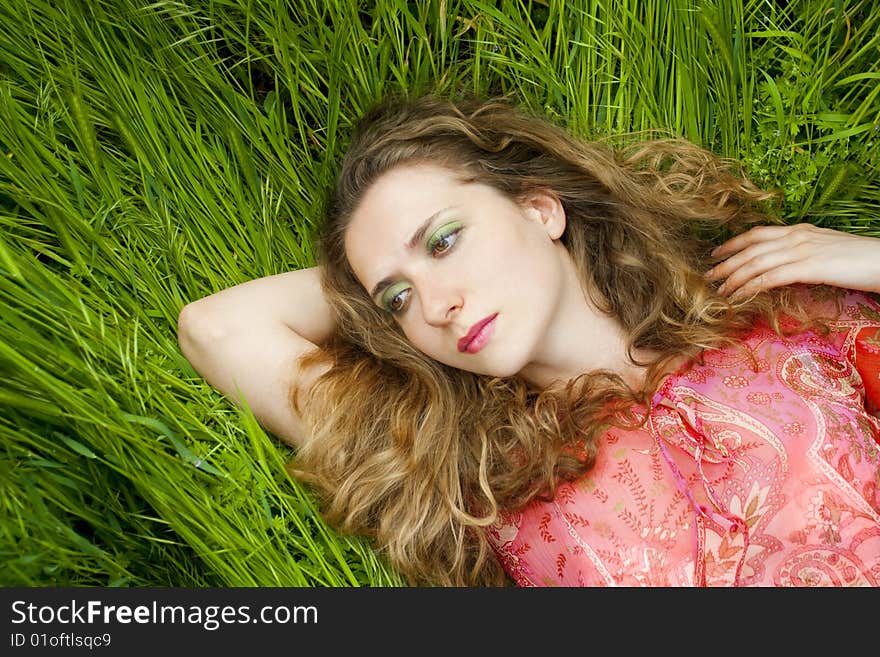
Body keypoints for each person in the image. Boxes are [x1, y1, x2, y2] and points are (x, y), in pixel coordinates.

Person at [177, 93, 880, 587]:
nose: (437, 305)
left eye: (446, 240)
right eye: (398, 299)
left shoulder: (780, 310)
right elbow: (216, 327)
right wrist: (365, 280)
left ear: (541, 207)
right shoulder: (477, 475)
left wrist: (869, 258)